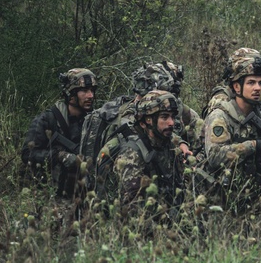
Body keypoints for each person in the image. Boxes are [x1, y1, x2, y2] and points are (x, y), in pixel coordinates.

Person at [202, 49, 261, 210]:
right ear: (237, 87)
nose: (257, 88)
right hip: (217, 199)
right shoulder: (220, 116)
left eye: (260, 83)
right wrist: (254, 145)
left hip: (250, 196)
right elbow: (215, 157)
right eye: (251, 83)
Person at [95, 89, 187, 227]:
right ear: (147, 121)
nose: (171, 123)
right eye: (164, 117)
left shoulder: (165, 142)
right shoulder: (132, 154)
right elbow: (133, 211)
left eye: (173, 117)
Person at [21, 68, 97, 199]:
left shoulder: (93, 121)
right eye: (84, 91)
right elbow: (27, 154)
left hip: (82, 195)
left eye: (92, 90)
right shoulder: (47, 120)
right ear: (71, 95)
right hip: (50, 195)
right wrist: (60, 156)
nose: (90, 95)